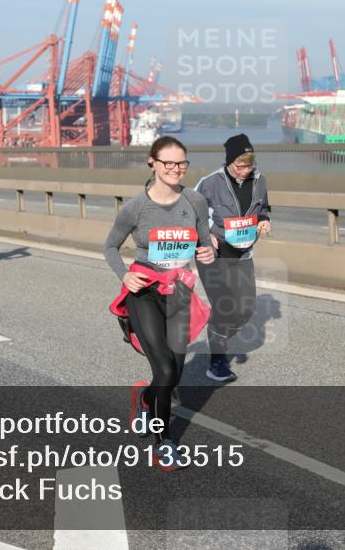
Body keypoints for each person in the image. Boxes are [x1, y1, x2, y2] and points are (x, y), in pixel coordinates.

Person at [104, 136, 215, 471]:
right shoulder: (136, 207)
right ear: (151, 163)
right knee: (164, 370)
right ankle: (164, 443)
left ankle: (145, 399)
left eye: (181, 163)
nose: (175, 169)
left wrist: (208, 253)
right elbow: (109, 247)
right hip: (145, 291)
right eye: (168, 163)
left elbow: (205, 243)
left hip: (178, 290)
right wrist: (124, 275)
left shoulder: (194, 201)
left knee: (174, 374)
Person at [194, 133, 272, 382]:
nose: (245, 171)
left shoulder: (260, 181)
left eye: (249, 165)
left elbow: (264, 209)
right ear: (229, 161)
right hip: (214, 255)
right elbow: (190, 215)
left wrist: (265, 221)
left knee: (245, 310)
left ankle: (217, 334)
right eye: (240, 165)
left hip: (243, 255)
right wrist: (206, 237)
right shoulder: (209, 183)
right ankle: (217, 361)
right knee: (225, 308)